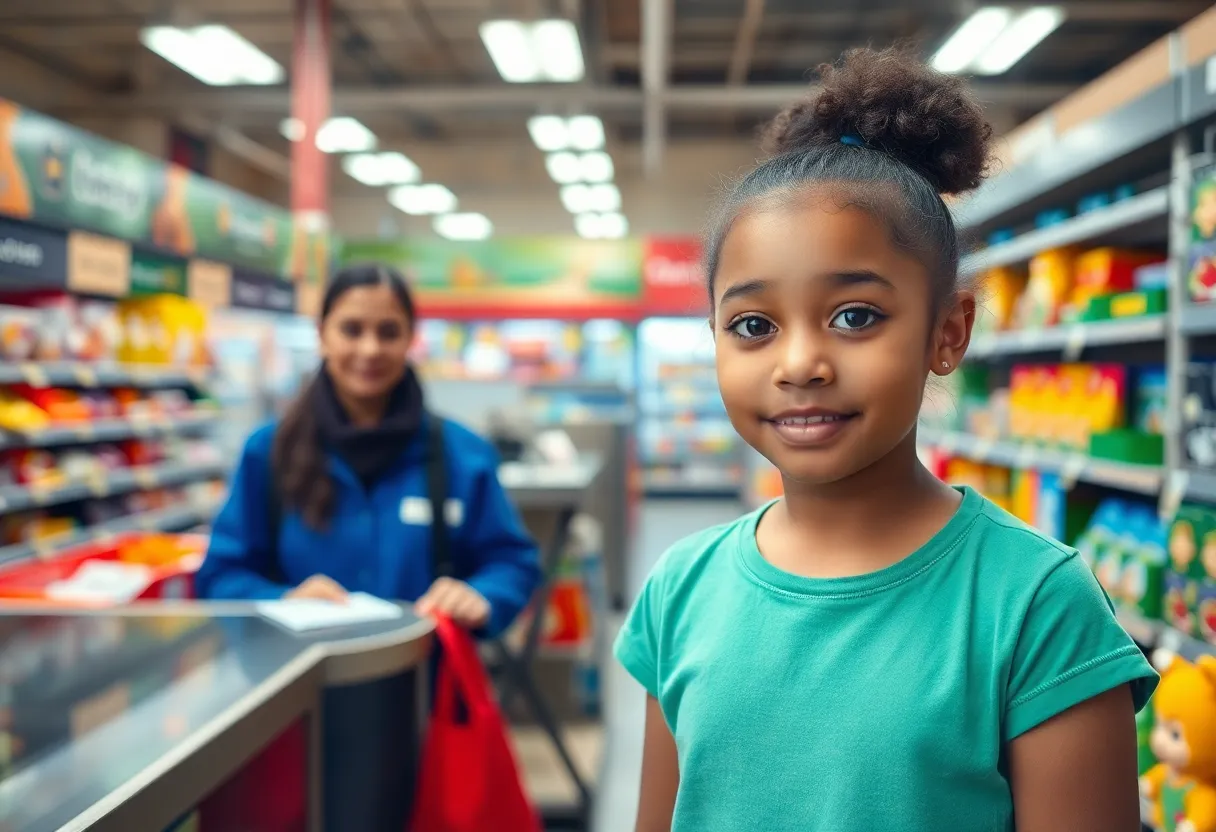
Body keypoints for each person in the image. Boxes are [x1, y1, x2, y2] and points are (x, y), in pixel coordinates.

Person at [615, 48, 1158, 832]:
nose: (800, 363)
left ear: (948, 332)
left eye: (855, 316)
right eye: (754, 326)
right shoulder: (679, 591)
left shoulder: (1035, 604)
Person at [197, 263, 542, 636]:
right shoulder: (268, 452)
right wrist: (281, 601)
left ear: (411, 339)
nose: (370, 348)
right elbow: (222, 575)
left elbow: (514, 563)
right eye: (351, 329)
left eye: (389, 332)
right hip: (303, 684)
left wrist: (481, 595)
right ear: (322, 334)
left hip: (424, 684)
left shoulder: (463, 455)